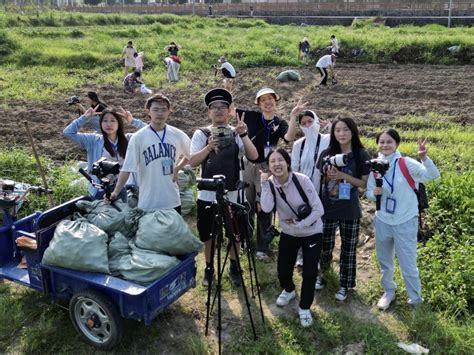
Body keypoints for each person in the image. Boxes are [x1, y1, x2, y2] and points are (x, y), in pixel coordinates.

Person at [189, 88, 258, 287]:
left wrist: (244, 134)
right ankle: (209, 266)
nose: (219, 110)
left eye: (223, 107)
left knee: (235, 232)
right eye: (214, 107)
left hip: (235, 193)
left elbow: (253, 156)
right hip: (208, 194)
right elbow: (193, 162)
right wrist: (208, 147)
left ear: (230, 111)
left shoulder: (237, 134)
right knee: (207, 233)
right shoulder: (201, 133)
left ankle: (235, 265)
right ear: (209, 112)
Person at [367, 129, 440, 310]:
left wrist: (424, 158)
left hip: (405, 220)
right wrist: (374, 193)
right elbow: (369, 192)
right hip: (383, 220)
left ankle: (415, 300)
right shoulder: (375, 166)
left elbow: (433, 176)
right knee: (385, 261)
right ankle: (389, 291)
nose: (385, 145)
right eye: (382, 142)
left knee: (408, 263)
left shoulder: (406, 163)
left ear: (397, 144)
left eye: (389, 142)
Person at [260, 148, 324, 327]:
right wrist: (264, 185)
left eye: (280, 160)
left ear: (287, 163)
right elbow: (266, 208)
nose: (277, 164)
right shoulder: (271, 183)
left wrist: (301, 224)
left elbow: (319, 210)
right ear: (269, 166)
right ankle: (289, 290)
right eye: (272, 161)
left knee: (310, 272)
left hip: (311, 232)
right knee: (282, 270)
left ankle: (304, 307)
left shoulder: (301, 180)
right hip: (289, 233)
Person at [235, 88, 299, 260]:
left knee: (265, 206)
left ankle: (262, 248)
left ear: (276, 102)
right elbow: (231, 109)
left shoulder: (280, 122)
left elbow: (289, 137)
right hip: (249, 165)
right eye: (263, 100)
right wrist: (228, 88)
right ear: (259, 104)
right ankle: (246, 242)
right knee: (246, 205)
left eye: (271, 98)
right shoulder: (252, 117)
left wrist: (293, 117)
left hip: (267, 167)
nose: (267, 102)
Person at [316, 117, 370, 301]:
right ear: (333, 133)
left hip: (349, 208)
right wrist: (328, 176)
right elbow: (320, 181)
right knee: (324, 245)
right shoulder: (326, 153)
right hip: (327, 207)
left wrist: (342, 175)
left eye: (345, 130)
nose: (341, 133)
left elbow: (363, 184)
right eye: (338, 130)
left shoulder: (361, 154)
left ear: (352, 132)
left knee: (348, 248)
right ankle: (322, 275)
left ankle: (345, 284)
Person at [109, 94, 191, 212]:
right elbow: (127, 168)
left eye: (164, 110)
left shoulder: (178, 135)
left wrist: (177, 168)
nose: (160, 113)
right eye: (156, 109)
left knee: (174, 230)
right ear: (148, 111)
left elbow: (189, 156)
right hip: (148, 201)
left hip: (172, 199)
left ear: (169, 111)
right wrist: (115, 192)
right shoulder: (138, 137)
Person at [63, 107, 146, 200]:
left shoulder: (129, 139)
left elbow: (150, 132)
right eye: (105, 121)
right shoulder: (93, 140)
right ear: (101, 123)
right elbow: (68, 132)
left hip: (127, 188)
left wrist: (132, 121)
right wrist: (84, 118)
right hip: (102, 189)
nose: (109, 124)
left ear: (119, 123)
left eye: (112, 121)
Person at [291, 110, 331, 267]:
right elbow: (294, 168)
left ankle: (320, 257)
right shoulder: (298, 144)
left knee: (320, 224)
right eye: (303, 123)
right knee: (303, 222)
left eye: (310, 121)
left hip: (322, 189)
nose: (307, 125)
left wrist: (330, 126)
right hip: (302, 190)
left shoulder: (327, 140)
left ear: (316, 121)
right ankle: (302, 255)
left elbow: (344, 140)